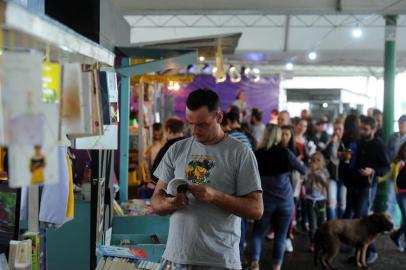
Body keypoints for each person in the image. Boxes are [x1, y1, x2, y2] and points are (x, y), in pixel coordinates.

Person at [151, 89, 263, 270]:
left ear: (219, 117)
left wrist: (215, 196)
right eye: (190, 124)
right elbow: (156, 202)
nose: (194, 131)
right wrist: (172, 202)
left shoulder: (240, 153)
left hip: (219, 261)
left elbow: (256, 210)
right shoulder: (177, 149)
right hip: (176, 258)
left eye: (202, 124)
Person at [250, 124, 306, 270]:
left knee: (257, 234)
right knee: (281, 237)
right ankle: (276, 267)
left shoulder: (257, 154)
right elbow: (303, 169)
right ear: (278, 136)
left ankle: (255, 263)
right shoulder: (285, 153)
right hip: (285, 202)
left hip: (265, 202)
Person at [342, 116, 389, 264]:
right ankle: (358, 255)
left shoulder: (379, 145)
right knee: (357, 220)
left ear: (374, 130)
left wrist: (373, 170)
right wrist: (345, 158)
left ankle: (371, 251)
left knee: (363, 220)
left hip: (367, 186)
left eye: (365, 129)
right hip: (354, 184)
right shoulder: (359, 142)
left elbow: (386, 167)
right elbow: (351, 161)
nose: (361, 131)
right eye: (361, 128)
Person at [137, 117, 186, 199]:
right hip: (184, 192)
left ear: (169, 130)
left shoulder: (168, 148)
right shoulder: (190, 146)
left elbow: (157, 173)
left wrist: (152, 183)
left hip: (166, 191)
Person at [379, 141, 406, 252]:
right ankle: (396, 236)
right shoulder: (398, 163)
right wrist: (380, 179)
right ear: (402, 151)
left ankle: (396, 235)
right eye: (405, 150)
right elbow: (390, 174)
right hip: (401, 193)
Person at [304, 152, 329, 252]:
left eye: (318, 160)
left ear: (322, 162)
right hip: (310, 201)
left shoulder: (325, 171)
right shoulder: (308, 172)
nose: (316, 162)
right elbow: (306, 187)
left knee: (322, 223)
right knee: (312, 225)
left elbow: (327, 185)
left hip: (321, 201)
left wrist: (321, 176)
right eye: (313, 160)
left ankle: (322, 242)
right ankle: (313, 243)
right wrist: (310, 174)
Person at [323, 120, 347, 219]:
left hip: (343, 177)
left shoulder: (346, 142)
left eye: (339, 129)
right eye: (335, 129)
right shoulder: (330, 141)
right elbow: (326, 155)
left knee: (342, 203)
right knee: (331, 202)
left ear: (343, 130)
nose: (337, 131)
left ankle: (341, 225)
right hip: (332, 176)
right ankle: (332, 226)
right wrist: (332, 143)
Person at [385, 115, 406, 221]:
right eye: (399, 123)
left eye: (403, 123)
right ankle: (389, 224)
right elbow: (386, 151)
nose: (400, 125)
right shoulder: (392, 137)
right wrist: (390, 164)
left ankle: (403, 225)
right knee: (390, 199)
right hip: (393, 172)